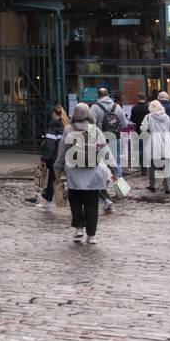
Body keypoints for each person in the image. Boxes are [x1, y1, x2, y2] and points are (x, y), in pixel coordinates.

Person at [53, 101, 116, 244]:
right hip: (93, 173)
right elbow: (105, 151)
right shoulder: (95, 130)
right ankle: (91, 235)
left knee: (75, 201)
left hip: (74, 172)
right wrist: (113, 168)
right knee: (92, 205)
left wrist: (57, 169)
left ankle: (79, 229)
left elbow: (62, 152)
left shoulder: (69, 130)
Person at [39, 104, 69, 211]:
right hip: (67, 158)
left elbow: (50, 146)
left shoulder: (52, 127)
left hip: (55, 159)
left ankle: (48, 203)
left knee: (52, 179)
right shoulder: (66, 125)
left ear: (53, 114)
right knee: (72, 179)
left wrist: (44, 158)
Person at [143, 99, 170, 194]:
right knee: (167, 165)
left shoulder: (148, 117)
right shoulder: (167, 117)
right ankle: (168, 186)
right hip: (166, 142)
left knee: (151, 164)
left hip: (154, 142)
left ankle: (152, 184)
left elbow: (142, 129)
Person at [129, 94, 150, 173]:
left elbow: (132, 120)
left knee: (141, 149)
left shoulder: (134, 108)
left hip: (138, 131)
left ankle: (143, 169)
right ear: (145, 98)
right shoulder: (148, 107)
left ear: (138, 98)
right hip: (147, 131)